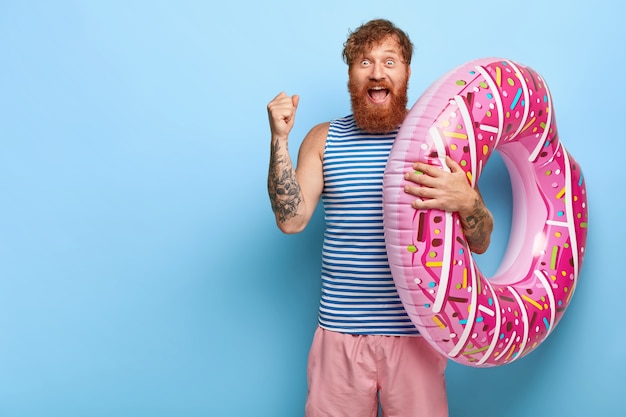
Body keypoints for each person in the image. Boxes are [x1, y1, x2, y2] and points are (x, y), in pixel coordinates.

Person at [266, 19, 493, 417]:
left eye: (390, 61)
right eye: (364, 62)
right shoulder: (324, 139)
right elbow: (291, 220)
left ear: (406, 73)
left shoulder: (438, 141)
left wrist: (468, 202)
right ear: (351, 75)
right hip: (339, 335)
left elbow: (481, 241)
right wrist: (279, 140)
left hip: (418, 335)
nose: (377, 72)